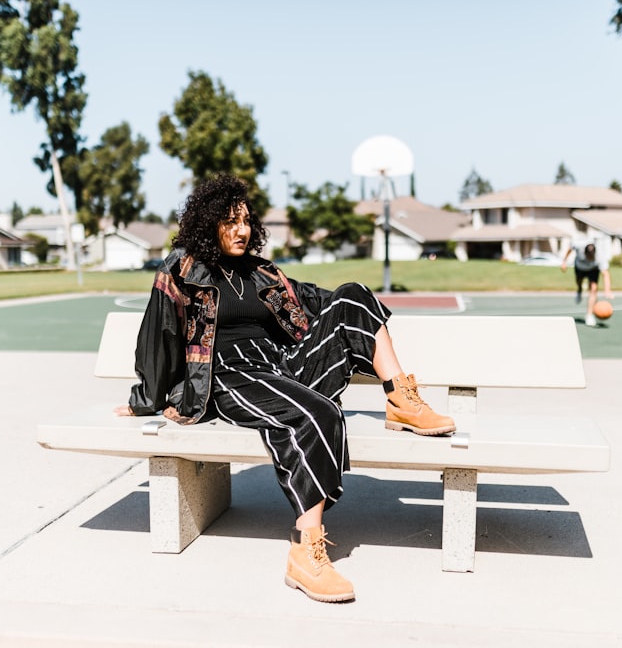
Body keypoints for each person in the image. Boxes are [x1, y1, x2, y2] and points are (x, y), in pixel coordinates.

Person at [114, 173, 455, 603]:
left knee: (355, 294)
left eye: (245, 221)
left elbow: (325, 304)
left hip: (279, 367)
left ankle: (400, 398)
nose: (241, 230)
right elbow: (158, 335)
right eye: (229, 221)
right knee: (317, 413)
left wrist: (360, 313)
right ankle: (305, 549)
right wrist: (144, 401)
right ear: (207, 224)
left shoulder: (262, 273)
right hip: (225, 375)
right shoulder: (182, 269)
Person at [561, 241, 613, 326]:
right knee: (579, 282)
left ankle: (589, 315)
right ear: (584, 253)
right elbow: (569, 249)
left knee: (593, 288)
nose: (589, 259)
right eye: (588, 256)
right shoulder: (578, 245)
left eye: (591, 257)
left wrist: (607, 290)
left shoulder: (600, 256)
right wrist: (564, 262)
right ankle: (579, 290)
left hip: (593, 269)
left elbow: (605, 274)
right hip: (580, 268)